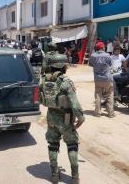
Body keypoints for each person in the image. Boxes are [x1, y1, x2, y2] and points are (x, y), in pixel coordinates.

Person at [39, 53, 85, 184]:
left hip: (51, 116)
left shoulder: (43, 80)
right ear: (63, 66)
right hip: (66, 117)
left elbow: (41, 100)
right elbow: (75, 104)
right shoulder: (65, 82)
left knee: (52, 145)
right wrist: (81, 118)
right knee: (72, 145)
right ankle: (75, 177)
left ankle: (54, 175)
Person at [89, 42, 115, 118]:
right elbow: (110, 64)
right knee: (110, 95)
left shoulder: (93, 56)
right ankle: (110, 113)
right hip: (107, 78)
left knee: (98, 95)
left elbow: (90, 64)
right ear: (103, 48)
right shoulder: (107, 55)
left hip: (98, 79)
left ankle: (97, 113)